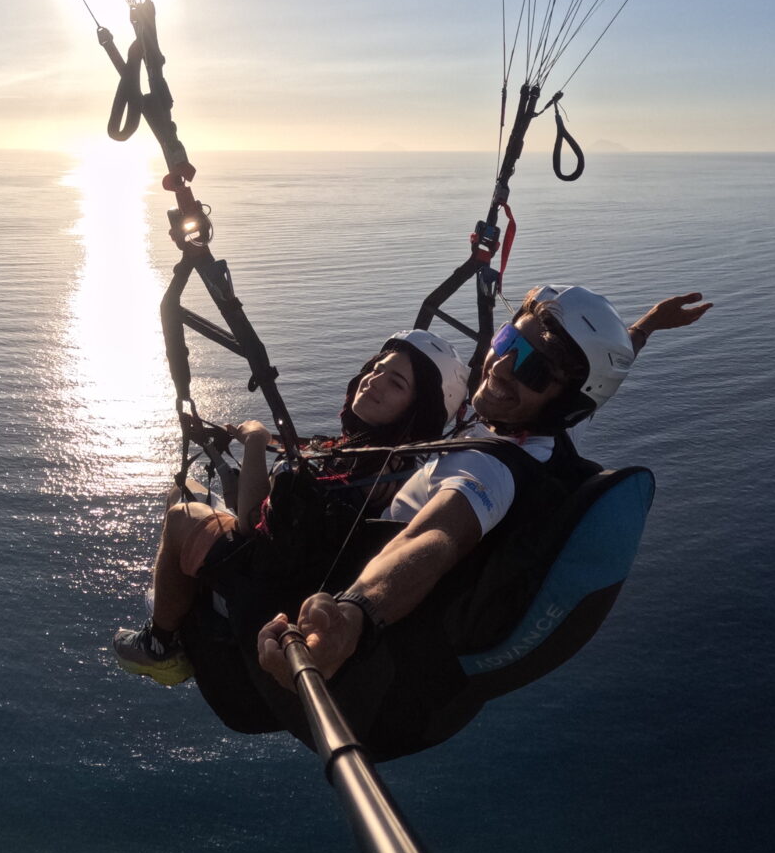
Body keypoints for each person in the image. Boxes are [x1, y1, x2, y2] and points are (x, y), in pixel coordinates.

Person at [255, 284, 711, 702]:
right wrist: (647, 325)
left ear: (567, 400)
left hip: (331, 605)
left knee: (205, 515)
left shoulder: (491, 468)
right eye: (506, 343)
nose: (502, 368)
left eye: (533, 370)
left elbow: (435, 537)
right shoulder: (531, 434)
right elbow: (599, 371)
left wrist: (353, 614)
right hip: (390, 628)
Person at [111, 328, 468, 686]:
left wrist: (254, 442)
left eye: (396, 383)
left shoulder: (370, 476)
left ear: (415, 412)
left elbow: (255, 527)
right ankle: (177, 607)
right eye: (377, 369)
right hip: (294, 564)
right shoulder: (385, 461)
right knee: (186, 491)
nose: (374, 382)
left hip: (268, 590)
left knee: (181, 513)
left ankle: (160, 646)